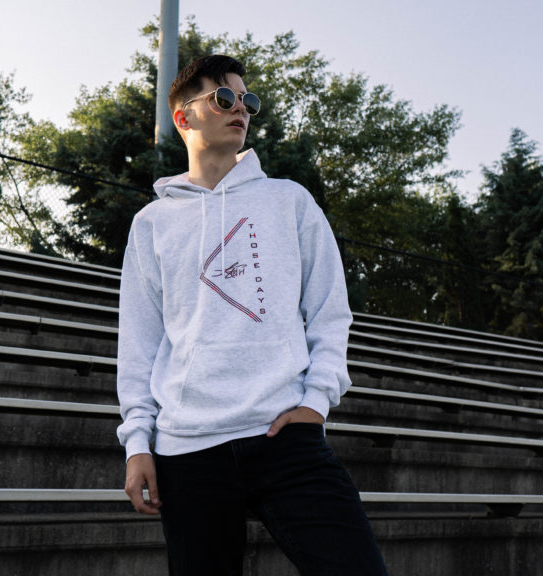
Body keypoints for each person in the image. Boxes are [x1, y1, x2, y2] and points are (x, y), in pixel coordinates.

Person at [116, 54, 389, 576]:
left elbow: (330, 312)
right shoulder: (152, 224)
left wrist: (316, 403)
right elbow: (140, 342)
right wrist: (137, 444)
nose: (240, 107)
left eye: (248, 100)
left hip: (284, 437)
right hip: (187, 449)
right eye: (223, 97)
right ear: (183, 117)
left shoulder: (289, 201)